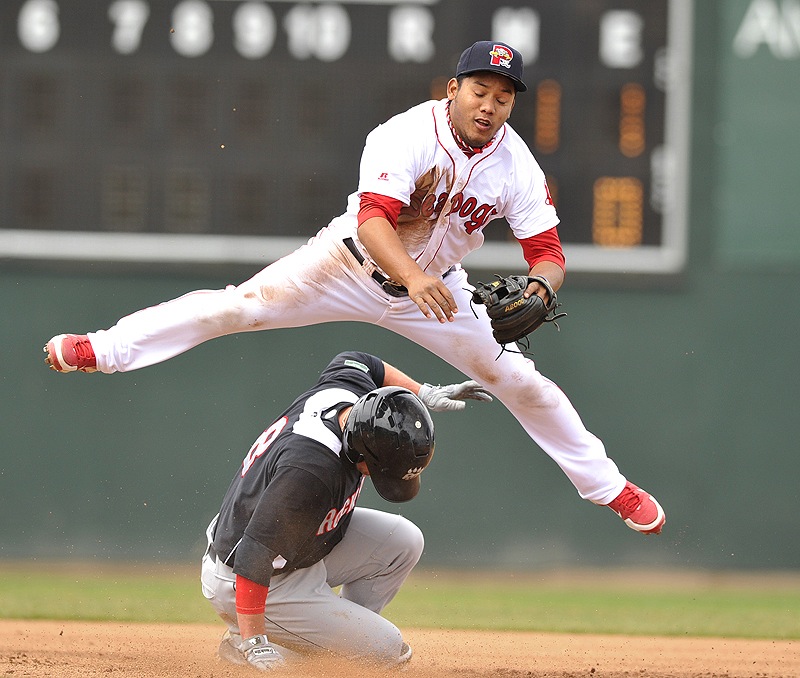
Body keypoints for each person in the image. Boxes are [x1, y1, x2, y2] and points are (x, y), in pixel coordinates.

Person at [43, 40, 665, 535]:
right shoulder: (405, 135)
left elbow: (548, 253)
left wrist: (542, 290)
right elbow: (373, 222)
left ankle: (612, 489)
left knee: (520, 381)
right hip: (348, 266)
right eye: (481, 90)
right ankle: (104, 349)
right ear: (454, 89)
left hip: (439, 292)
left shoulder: (517, 164)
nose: (491, 106)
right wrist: (414, 276)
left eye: (504, 97)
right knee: (240, 307)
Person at [200, 350, 489, 669]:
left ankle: (332, 638)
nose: (379, 478)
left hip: (297, 550)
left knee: (403, 541)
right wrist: (253, 641)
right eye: (380, 470)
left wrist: (423, 393)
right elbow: (254, 554)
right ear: (362, 448)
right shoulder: (310, 472)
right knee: (386, 652)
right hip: (249, 579)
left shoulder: (347, 398)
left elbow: (361, 361)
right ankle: (246, 645)